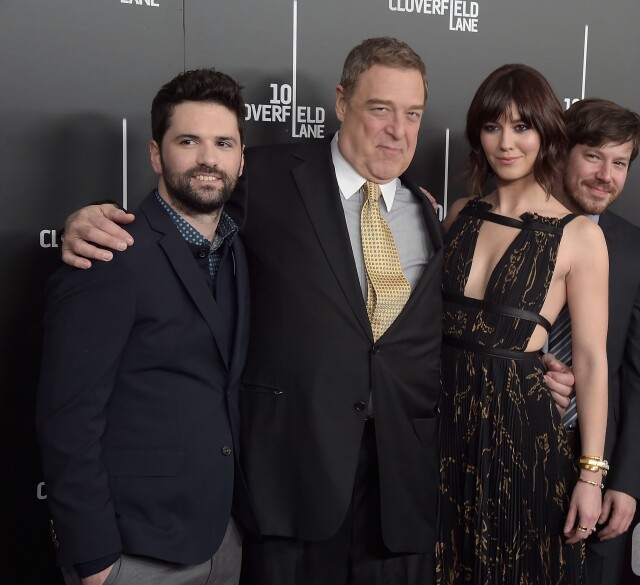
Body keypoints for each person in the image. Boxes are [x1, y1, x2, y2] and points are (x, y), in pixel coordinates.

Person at [58, 40, 575, 585]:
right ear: (342, 102)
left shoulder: (429, 211)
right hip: (292, 486)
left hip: (402, 492)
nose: (397, 131)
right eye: (380, 109)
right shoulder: (264, 175)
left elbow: (450, 326)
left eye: (412, 114)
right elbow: (185, 209)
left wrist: (521, 366)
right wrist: (89, 221)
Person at [36, 69, 250, 585]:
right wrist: (95, 561)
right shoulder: (108, 252)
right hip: (135, 551)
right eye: (188, 141)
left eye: (223, 143)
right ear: (156, 154)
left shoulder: (239, 248)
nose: (208, 158)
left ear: (242, 159)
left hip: (224, 540)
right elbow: (67, 419)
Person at [437, 63, 609, 584]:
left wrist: (591, 475)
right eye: (492, 127)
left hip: (521, 433)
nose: (506, 143)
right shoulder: (459, 213)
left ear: (546, 133)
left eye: (521, 127)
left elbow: (590, 361)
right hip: (441, 422)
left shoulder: (579, 235)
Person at [548, 98, 640, 585]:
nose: (605, 176)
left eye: (620, 163)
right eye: (593, 156)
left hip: (597, 462)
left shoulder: (639, 249)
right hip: (506, 440)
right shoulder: (512, 225)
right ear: (561, 153)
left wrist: (627, 480)